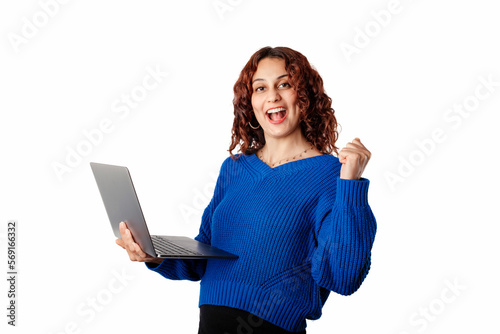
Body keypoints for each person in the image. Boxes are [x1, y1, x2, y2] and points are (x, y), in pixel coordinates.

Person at [115, 46, 377, 333]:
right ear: (249, 102)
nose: (272, 96)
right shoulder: (234, 168)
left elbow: (344, 277)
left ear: (304, 96)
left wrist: (351, 186)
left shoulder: (332, 175)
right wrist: (154, 254)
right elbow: (204, 254)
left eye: (284, 84)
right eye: (260, 87)